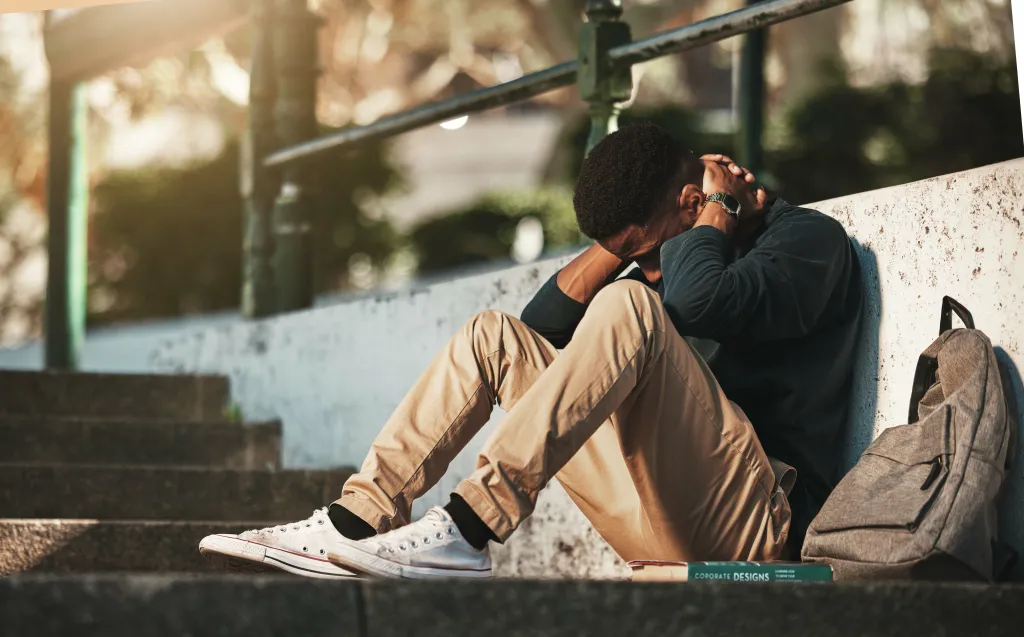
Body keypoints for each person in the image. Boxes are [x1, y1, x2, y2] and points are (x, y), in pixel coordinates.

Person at [199, 123, 863, 580]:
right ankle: (354, 520)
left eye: (647, 251)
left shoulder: (806, 244)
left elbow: (697, 301)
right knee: (494, 335)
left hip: (760, 528)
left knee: (626, 306)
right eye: (637, 256)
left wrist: (712, 210)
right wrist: (623, 239)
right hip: (659, 514)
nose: (645, 269)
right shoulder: (673, 259)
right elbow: (539, 329)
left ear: (694, 205)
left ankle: (468, 527)